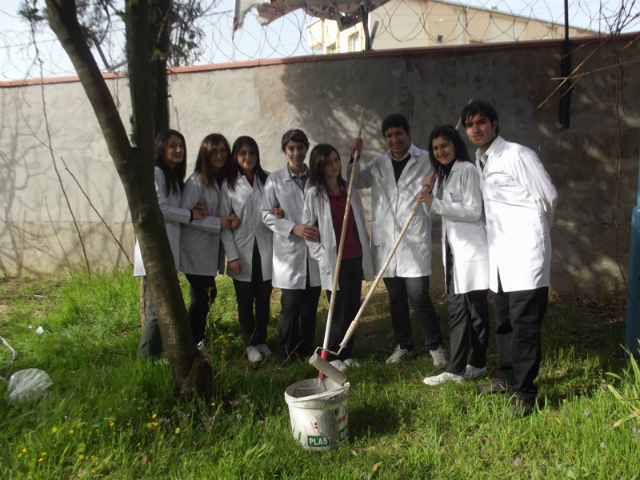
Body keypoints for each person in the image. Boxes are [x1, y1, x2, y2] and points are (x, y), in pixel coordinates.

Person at [461, 101, 558, 417]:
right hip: (500, 257)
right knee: (503, 320)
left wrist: (536, 232)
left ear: (495, 123)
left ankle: (525, 392)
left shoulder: (518, 155)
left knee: (524, 324)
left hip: (526, 255)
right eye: (470, 124)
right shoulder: (480, 161)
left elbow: (549, 197)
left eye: (481, 122)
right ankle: (505, 375)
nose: (476, 129)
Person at [349, 114, 446, 367]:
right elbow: (356, 182)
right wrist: (354, 158)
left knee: (419, 296)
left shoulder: (427, 159)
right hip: (387, 242)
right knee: (396, 299)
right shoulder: (379, 163)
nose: (394, 139)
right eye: (389, 135)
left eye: (398, 134)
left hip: (413, 238)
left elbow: (444, 186)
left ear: (408, 133)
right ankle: (404, 345)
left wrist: (432, 186)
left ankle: (435, 346)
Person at [417, 125, 490, 386]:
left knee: (476, 310)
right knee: (460, 309)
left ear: (455, 145)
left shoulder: (467, 170)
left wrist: (435, 202)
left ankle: (472, 365)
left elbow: (473, 210)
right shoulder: (443, 175)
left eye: (444, 146)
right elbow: (436, 213)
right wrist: (427, 196)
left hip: (471, 251)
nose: (440, 152)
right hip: (453, 252)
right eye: (435, 149)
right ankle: (461, 368)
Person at [134, 129, 207, 360]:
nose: (178, 150)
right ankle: (144, 360)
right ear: (161, 148)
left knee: (162, 309)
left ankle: (153, 356)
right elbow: (161, 209)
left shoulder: (173, 176)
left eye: (181, 146)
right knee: (158, 310)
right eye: (172, 146)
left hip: (167, 252)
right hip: (155, 253)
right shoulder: (156, 172)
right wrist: (190, 214)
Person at [302, 144, 375, 371]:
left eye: (336, 160)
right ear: (319, 167)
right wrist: (321, 256)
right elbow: (308, 231)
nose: (334, 166)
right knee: (337, 308)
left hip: (355, 255)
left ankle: (346, 353)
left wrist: (356, 153)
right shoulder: (314, 193)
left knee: (352, 306)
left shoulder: (348, 187)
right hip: (333, 260)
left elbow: (358, 221)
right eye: (328, 163)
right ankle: (332, 356)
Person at [261, 129, 321, 369]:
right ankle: (284, 352)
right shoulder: (274, 179)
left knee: (310, 303)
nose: (296, 153)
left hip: (314, 250)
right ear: (285, 151)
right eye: (291, 149)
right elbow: (266, 213)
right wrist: (291, 227)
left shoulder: (316, 177)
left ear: (307, 148)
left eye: (300, 147)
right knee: (290, 304)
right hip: (290, 249)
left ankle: (306, 348)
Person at [180, 134, 238, 352]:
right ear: (205, 154)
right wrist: (218, 222)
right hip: (194, 249)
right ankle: (192, 341)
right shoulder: (196, 181)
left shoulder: (217, 180)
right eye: (215, 151)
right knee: (203, 293)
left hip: (208, 249)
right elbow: (187, 216)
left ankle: (194, 338)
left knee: (207, 293)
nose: (220, 155)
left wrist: (226, 220)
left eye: (223, 150)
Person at [220, 136, 274, 364]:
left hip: (265, 250)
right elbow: (225, 227)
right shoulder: (228, 185)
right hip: (241, 252)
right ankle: (250, 343)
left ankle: (262, 339)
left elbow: (276, 209)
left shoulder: (268, 180)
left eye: (251, 153)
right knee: (245, 301)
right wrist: (231, 256)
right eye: (242, 153)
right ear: (236, 156)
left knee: (264, 299)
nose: (248, 158)